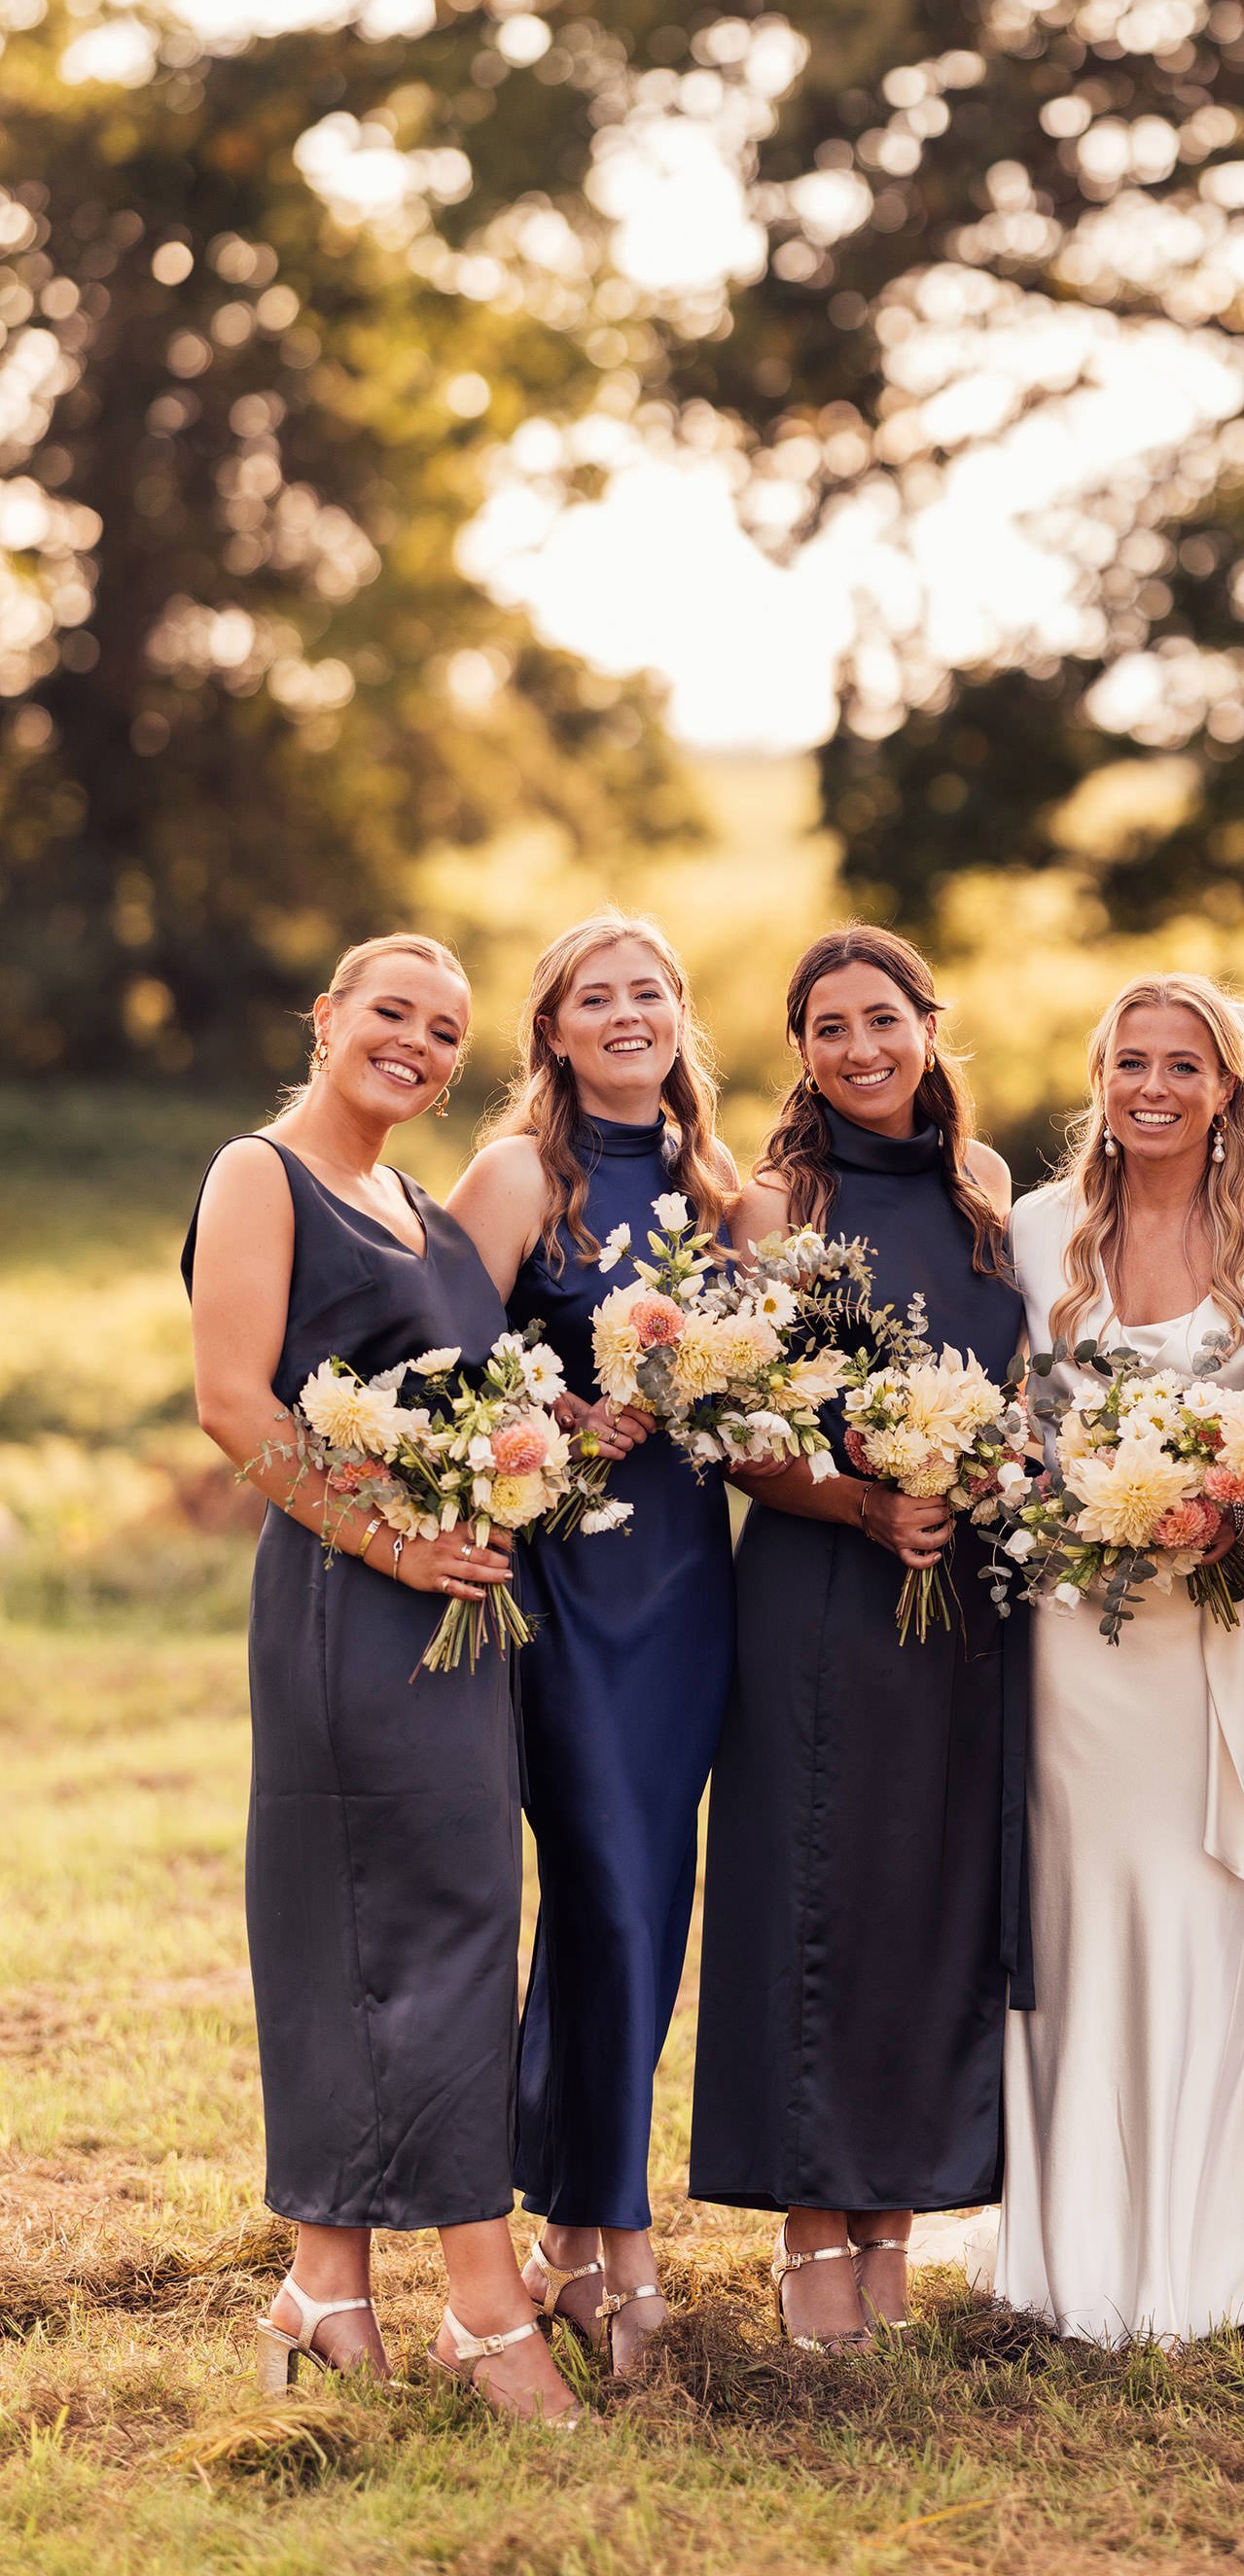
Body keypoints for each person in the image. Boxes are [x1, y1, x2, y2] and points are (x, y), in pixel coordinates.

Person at [183, 933, 577, 2424]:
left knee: (440, 1917)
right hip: (349, 1608)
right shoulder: (257, 1173)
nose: (414, 1043)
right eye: (390, 1013)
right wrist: (394, 1547)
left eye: (444, 1030)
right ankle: (482, 2304)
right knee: (395, 1923)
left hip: (456, 1617)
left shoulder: (416, 1206)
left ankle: (325, 2284)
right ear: (330, 1016)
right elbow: (235, 1403)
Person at [992, 973, 1244, 2342]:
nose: (1153, 1088)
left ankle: (1208, 2246)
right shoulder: (1034, 1236)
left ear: (1227, 1089)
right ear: (1100, 1079)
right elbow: (1006, 1422)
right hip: (1064, 1636)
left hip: (1208, 1628)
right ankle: (1068, 2248)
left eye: (1184, 1066)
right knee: (1074, 1906)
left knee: (1201, 1905)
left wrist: (1236, 1505)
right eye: (1130, 1063)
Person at [687, 926, 1025, 2347]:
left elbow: (1022, 1375)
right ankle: (811, 2236)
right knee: (809, 1890)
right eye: (829, 1029)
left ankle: (896, 2218)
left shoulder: (987, 1188)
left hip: (966, 1601)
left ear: (929, 1027)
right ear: (802, 1054)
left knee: (930, 1894)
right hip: (821, 1587)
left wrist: (984, 1476)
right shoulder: (771, 1210)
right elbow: (729, 1428)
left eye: (882, 1019)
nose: (860, 1049)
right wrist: (863, 1502)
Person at [448, 911, 739, 2375]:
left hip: (692, 1588)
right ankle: (622, 2251)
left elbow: (759, 1380)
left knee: (638, 1908)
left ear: (681, 1016)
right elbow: (436, 1359)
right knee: (611, 1893)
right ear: (553, 1033)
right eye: (595, 998)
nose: (627, 1015)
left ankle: (569, 2233)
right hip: (567, 1585)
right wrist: (554, 1415)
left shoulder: (714, 1183)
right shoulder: (515, 1176)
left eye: (649, 993)